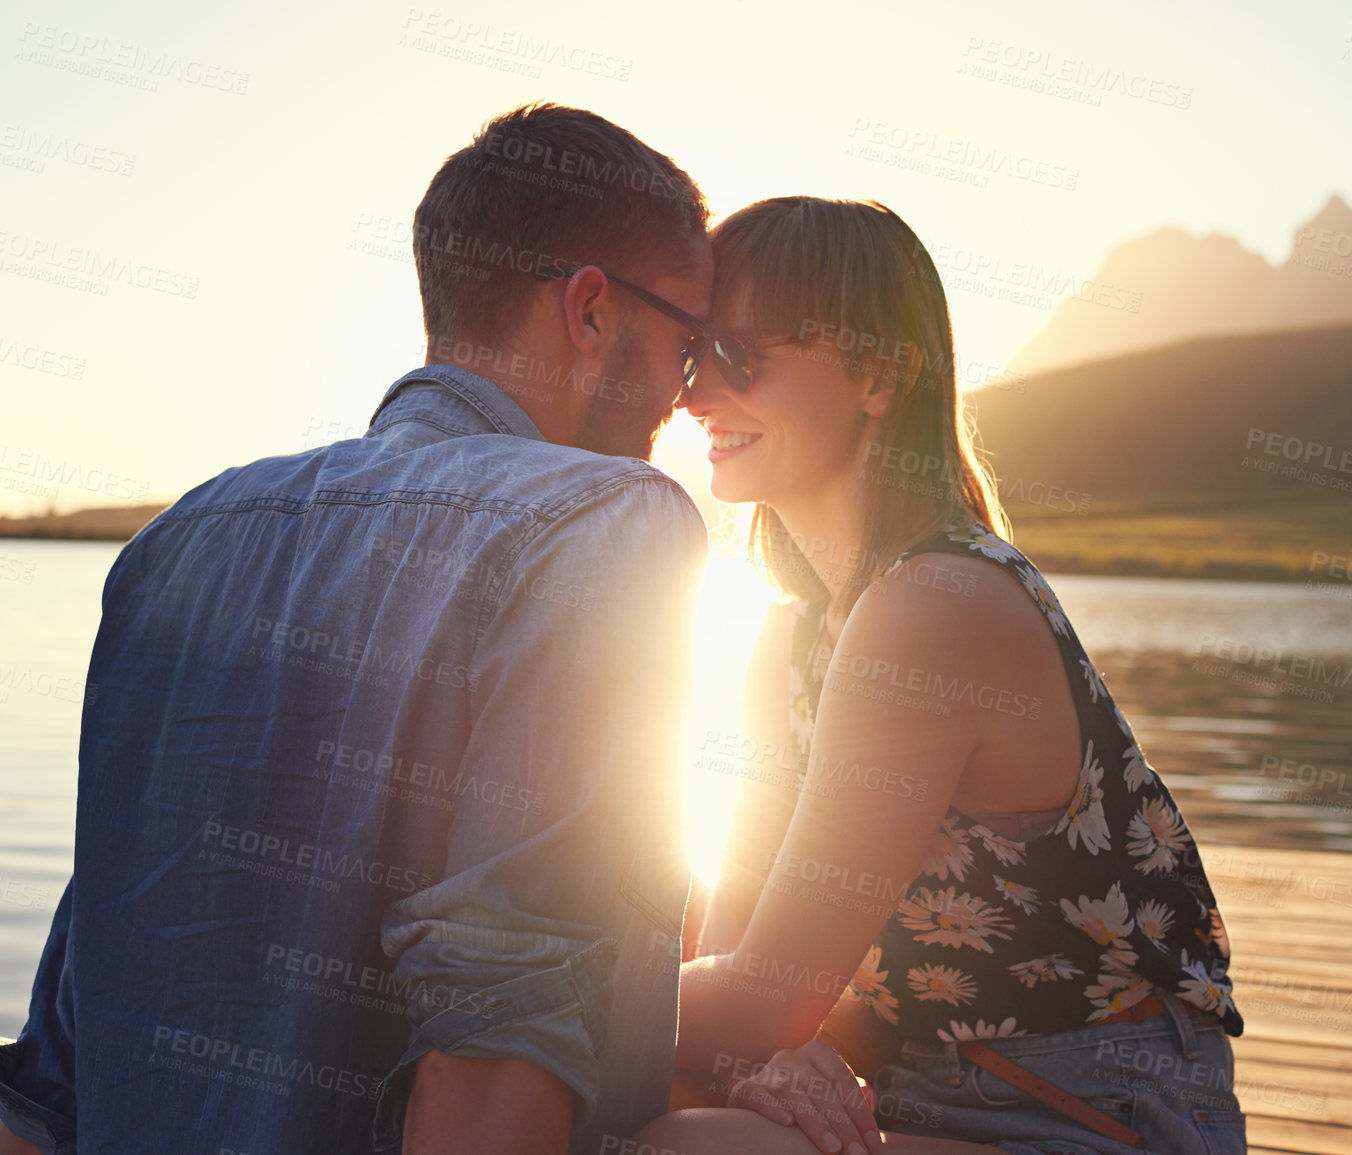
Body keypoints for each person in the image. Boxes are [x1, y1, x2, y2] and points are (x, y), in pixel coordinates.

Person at [0, 103, 711, 1155]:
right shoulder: (609, 522)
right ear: (591, 310)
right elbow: (494, 1061)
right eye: (688, 351)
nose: (684, 400)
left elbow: (54, 1075)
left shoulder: (179, 540)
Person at [637, 198, 1246, 1155]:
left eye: (739, 356)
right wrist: (781, 1054)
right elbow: (744, 959)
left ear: (879, 374)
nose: (695, 396)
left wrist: (494, 1005)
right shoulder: (791, 641)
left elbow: (761, 995)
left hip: (1090, 1112)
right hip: (925, 1095)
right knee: (638, 1100)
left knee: (653, 1143)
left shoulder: (938, 607)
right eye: (689, 356)